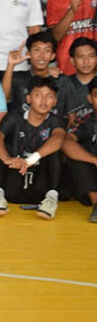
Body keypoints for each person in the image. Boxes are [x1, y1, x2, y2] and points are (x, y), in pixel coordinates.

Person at [0, 76, 66, 219]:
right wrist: (6, 159)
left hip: (40, 182)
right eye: (38, 95)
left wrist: (31, 160)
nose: (43, 101)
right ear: (28, 98)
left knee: (55, 149)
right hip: (15, 175)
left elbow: (58, 138)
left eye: (49, 96)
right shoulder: (15, 116)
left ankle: (51, 199)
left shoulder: (56, 120)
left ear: (55, 101)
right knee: (1, 146)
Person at [2, 32, 79, 122]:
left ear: (53, 56)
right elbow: (3, 99)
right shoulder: (18, 78)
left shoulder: (63, 81)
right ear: (28, 53)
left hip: (55, 129)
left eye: (47, 51)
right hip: (22, 129)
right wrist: (10, 65)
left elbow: (72, 116)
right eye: (36, 50)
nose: (41, 55)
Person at [62, 76, 97, 222]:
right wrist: (94, 160)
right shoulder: (84, 120)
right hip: (90, 180)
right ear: (90, 98)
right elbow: (66, 143)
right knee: (75, 157)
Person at [66, 38, 97, 131]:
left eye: (91, 56)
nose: (86, 61)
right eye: (80, 56)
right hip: (71, 134)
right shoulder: (63, 84)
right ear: (72, 60)